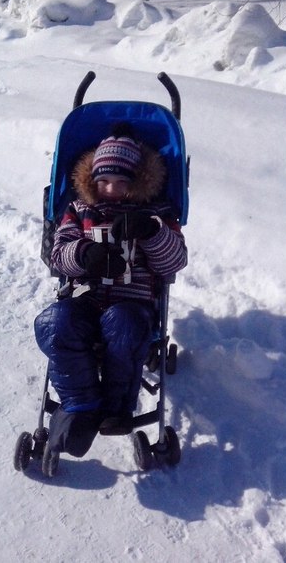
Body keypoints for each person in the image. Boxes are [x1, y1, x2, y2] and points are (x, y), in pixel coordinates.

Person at [34, 123, 187, 457]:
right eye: (104, 181)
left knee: (124, 325)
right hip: (86, 300)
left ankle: (115, 408)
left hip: (133, 305)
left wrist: (152, 233)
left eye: (122, 182)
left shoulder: (156, 214)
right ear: (92, 181)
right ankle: (82, 406)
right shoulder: (80, 211)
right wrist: (84, 254)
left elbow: (174, 262)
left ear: (137, 182)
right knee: (54, 324)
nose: (111, 190)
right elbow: (58, 255)